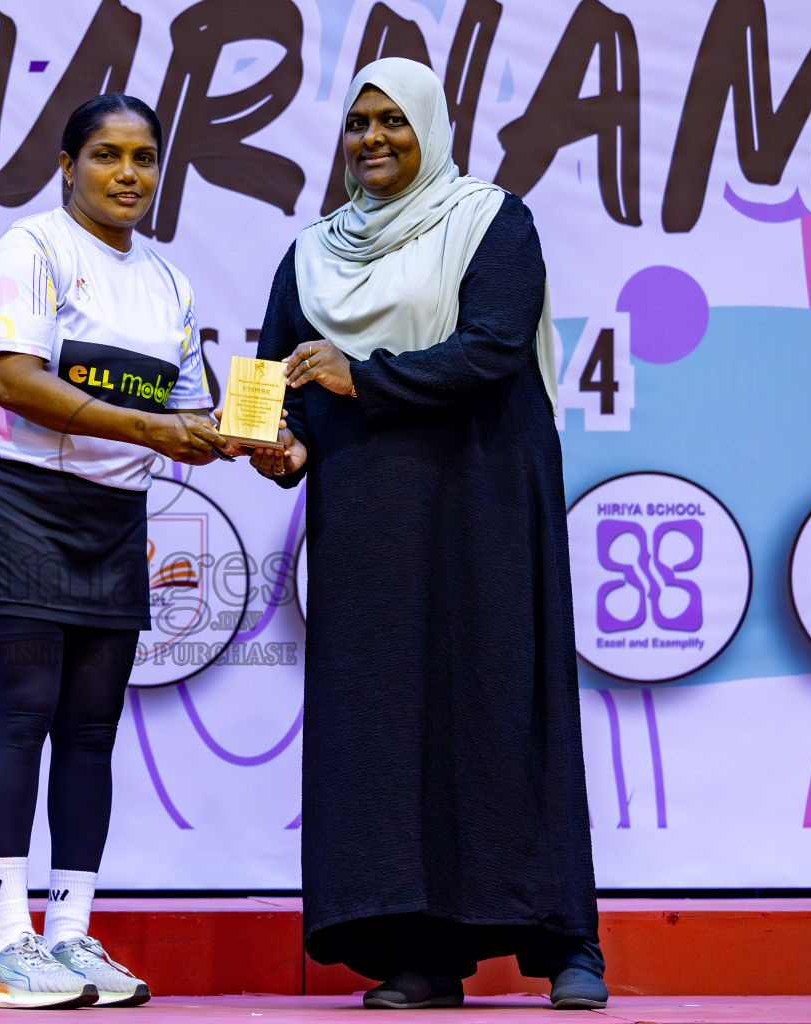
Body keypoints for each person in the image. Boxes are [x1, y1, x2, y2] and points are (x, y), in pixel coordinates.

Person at [240, 58, 608, 1010]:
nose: (372, 140)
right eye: (359, 123)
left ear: (431, 129)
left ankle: (566, 939)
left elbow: (491, 347)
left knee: (502, 705)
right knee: (387, 728)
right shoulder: (311, 252)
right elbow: (273, 372)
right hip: (368, 517)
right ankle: (421, 950)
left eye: (392, 122)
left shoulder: (491, 220)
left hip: (483, 495)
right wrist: (275, 446)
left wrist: (360, 378)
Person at [0, 93, 224, 1010]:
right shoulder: (30, 251)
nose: (128, 173)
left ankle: (70, 936)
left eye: (144, 157)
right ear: (68, 166)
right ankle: (6, 943)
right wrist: (152, 425)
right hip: (20, 500)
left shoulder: (169, 283)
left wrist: (272, 439)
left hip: (113, 515)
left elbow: (193, 414)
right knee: (23, 715)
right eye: (107, 155)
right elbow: (16, 381)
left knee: (93, 733)